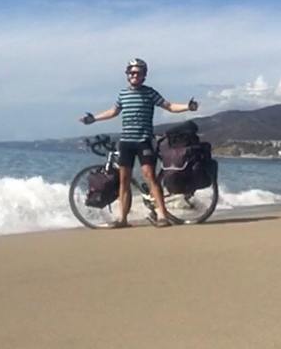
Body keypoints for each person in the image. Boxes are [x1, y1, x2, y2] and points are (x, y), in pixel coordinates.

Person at [78, 58, 198, 228]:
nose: (135, 75)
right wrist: (93, 119)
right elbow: (113, 111)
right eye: (132, 72)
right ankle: (122, 219)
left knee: (149, 176)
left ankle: (162, 215)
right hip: (126, 142)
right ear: (127, 75)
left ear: (144, 75)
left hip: (144, 141)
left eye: (138, 72)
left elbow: (169, 106)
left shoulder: (150, 93)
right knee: (124, 180)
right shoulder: (123, 94)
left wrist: (188, 106)